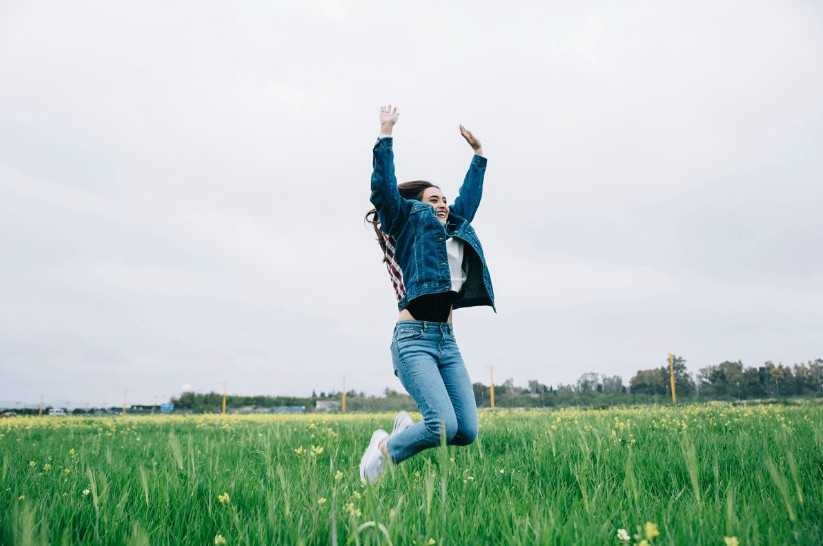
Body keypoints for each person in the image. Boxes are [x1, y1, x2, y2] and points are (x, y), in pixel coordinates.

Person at [359, 105, 496, 483]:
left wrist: (479, 155)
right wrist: (385, 135)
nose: (441, 203)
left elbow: (467, 201)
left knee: (465, 431)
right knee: (441, 424)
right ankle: (384, 451)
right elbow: (384, 191)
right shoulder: (405, 223)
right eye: (432, 198)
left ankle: (403, 434)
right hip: (413, 339)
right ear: (416, 206)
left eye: (443, 199)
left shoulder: (453, 228)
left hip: (446, 341)